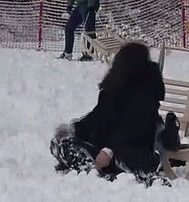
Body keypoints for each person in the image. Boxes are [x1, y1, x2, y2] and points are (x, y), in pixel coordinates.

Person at [49, 43, 167, 186]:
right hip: (104, 148)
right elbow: (98, 117)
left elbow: (132, 127)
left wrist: (109, 150)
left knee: (127, 158)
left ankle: (100, 173)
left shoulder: (144, 95)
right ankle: (93, 170)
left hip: (130, 150)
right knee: (60, 143)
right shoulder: (112, 90)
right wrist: (74, 129)